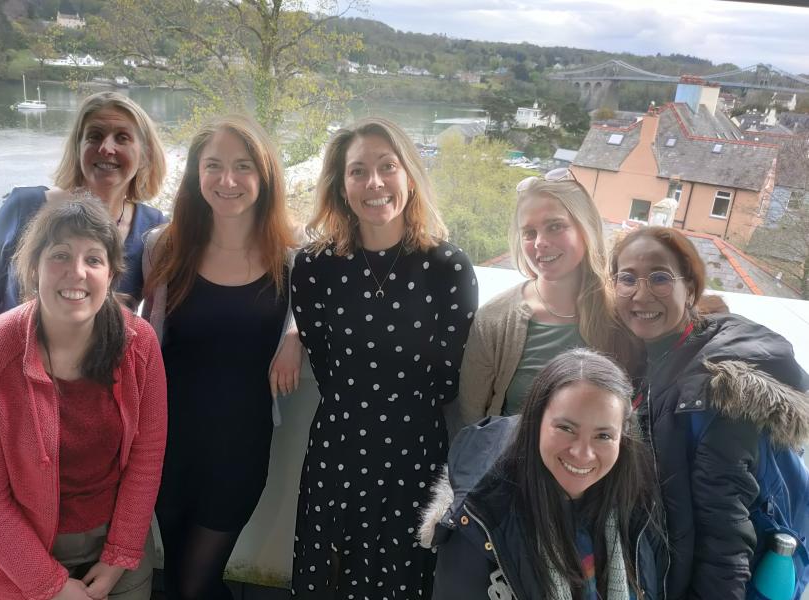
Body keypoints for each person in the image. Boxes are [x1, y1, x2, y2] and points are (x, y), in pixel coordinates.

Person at [0, 197, 167, 600]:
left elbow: (147, 457)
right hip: (16, 551)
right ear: (33, 267)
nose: (76, 272)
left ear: (112, 273)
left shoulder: (139, 345)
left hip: (114, 541)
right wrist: (51, 585)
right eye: (60, 255)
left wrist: (120, 555)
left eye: (93, 260)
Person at [289, 117, 478, 598]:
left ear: (409, 176)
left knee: (399, 577)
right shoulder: (314, 267)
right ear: (341, 185)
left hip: (413, 449)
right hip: (339, 441)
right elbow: (325, 362)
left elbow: (448, 379)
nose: (374, 183)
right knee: (327, 571)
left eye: (387, 166)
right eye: (357, 171)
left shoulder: (447, 267)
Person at [141, 114, 301, 600]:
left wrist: (295, 334)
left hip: (239, 445)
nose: (227, 180)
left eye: (243, 166)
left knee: (194, 582)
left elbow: (320, 311)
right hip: (166, 439)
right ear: (195, 175)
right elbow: (140, 334)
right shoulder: (164, 247)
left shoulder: (292, 257)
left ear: (265, 176)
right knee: (178, 578)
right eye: (213, 165)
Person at [609, 226, 809, 599]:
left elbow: (724, 536)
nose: (641, 292)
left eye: (659, 278)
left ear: (691, 289)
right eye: (627, 278)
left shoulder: (715, 388)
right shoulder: (654, 356)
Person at [421, 348, 664, 600]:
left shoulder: (636, 501)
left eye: (603, 435)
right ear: (535, 422)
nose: (583, 454)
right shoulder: (482, 516)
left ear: (622, 437)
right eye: (566, 428)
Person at [0, 91, 168, 357]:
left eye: (122, 137)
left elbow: (156, 320)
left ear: (144, 154)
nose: (107, 148)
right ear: (77, 147)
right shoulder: (25, 207)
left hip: (100, 389)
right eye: (94, 136)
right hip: (11, 383)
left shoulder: (152, 230)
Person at [457, 169, 641, 425]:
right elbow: (469, 424)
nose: (540, 242)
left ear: (585, 229)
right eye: (529, 233)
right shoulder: (494, 319)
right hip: (510, 463)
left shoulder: (623, 314)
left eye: (555, 227)